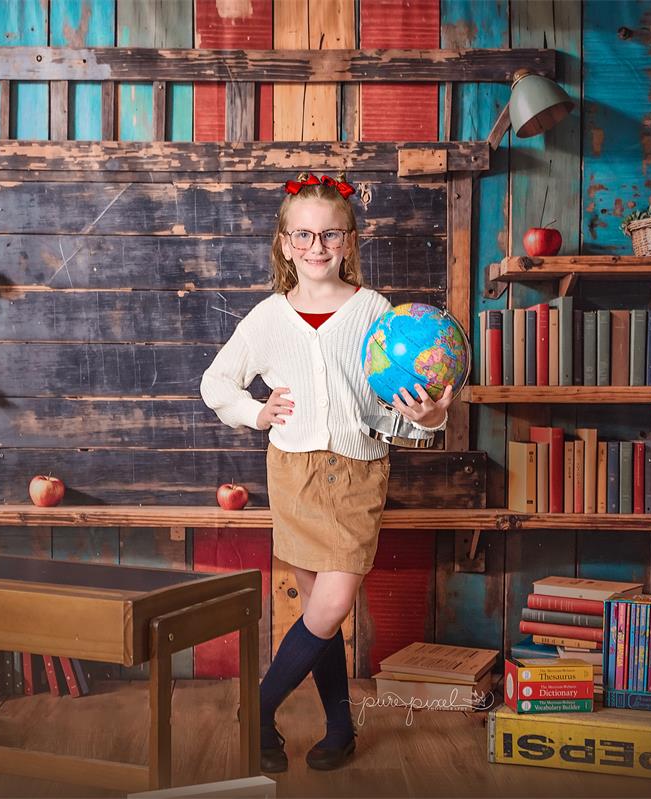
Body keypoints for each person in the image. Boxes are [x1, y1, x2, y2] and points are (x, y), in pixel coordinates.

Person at [200, 172, 455, 772]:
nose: (317, 247)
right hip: (292, 473)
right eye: (305, 235)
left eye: (331, 235)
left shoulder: (374, 312)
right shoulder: (267, 318)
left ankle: (257, 708)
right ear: (285, 242)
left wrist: (433, 412)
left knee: (331, 604)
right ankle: (340, 730)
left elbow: (406, 399)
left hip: (357, 472)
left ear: (349, 240)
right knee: (323, 612)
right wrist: (256, 412)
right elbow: (216, 382)